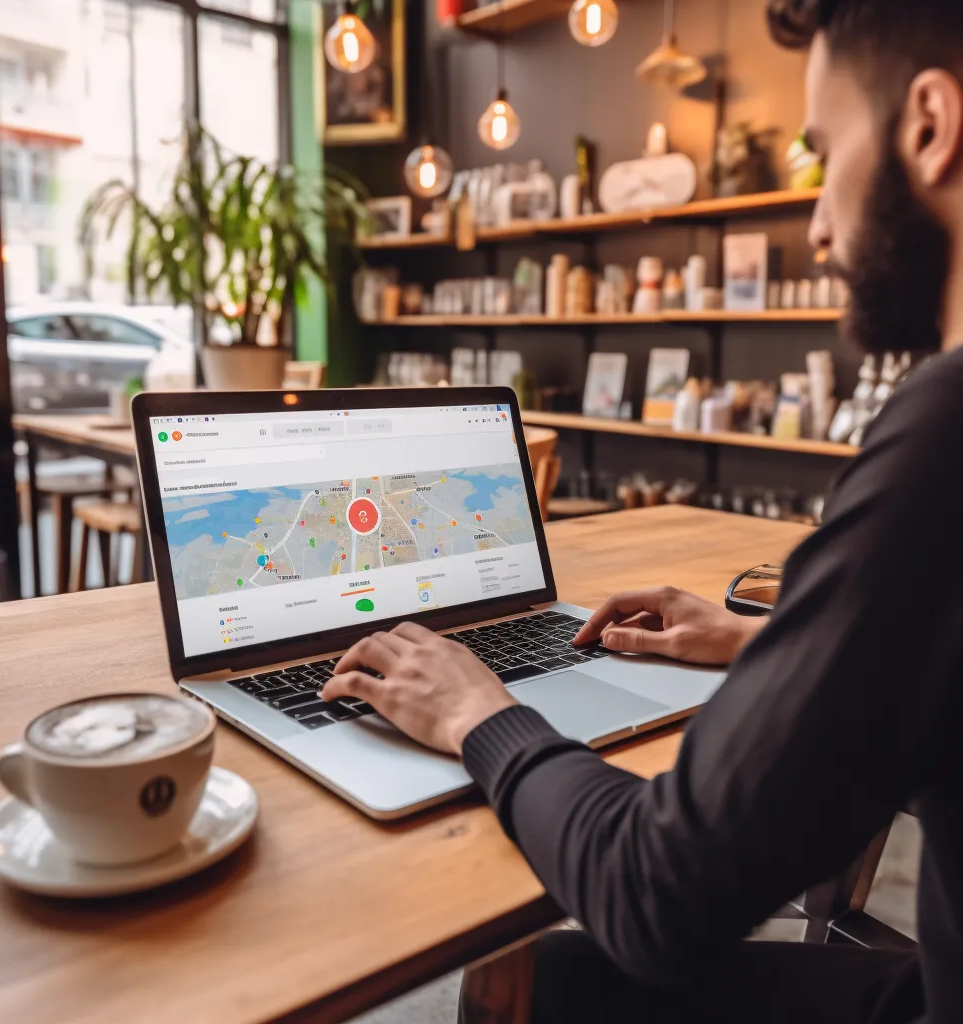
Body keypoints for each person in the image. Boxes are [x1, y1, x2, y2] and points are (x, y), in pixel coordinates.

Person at [321, 1, 963, 1019]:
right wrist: (767, 647)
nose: (818, 223)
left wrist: (478, 714)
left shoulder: (946, 429)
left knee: (555, 976)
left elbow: (650, 894)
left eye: (825, 149)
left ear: (928, 125)